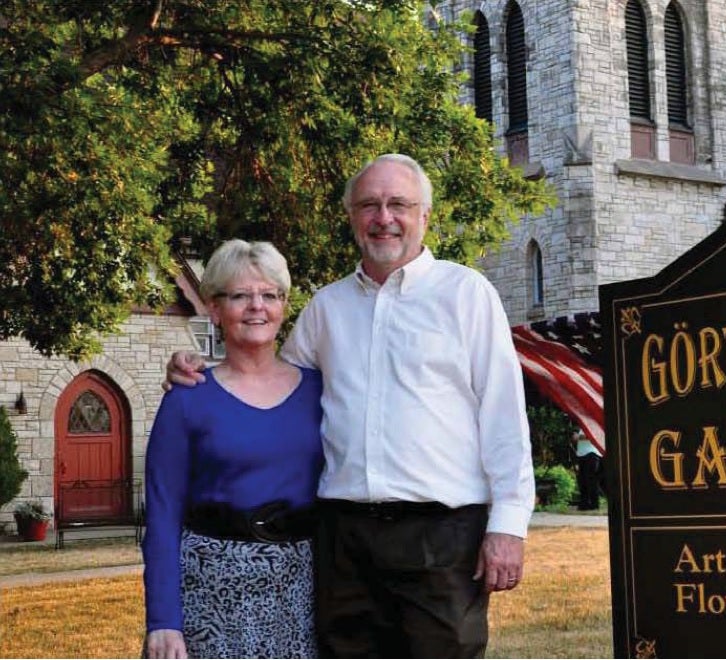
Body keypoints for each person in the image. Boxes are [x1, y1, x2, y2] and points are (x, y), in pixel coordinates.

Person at [166, 153, 535, 657]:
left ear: (425, 216)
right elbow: (271, 383)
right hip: (342, 540)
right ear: (351, 218)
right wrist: (194, 370)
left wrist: (508, 526)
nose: (383, 218)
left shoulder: (466, 294)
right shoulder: (327, 308)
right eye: (369, 205)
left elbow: (504, 416)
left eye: (398, 204)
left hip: (441, 538)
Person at [144, 239, 324, 659]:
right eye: (240, 296)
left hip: (302, 588)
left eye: (269, 295)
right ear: (214, 308)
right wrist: (163, 620)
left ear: (284, 304)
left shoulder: (320, 390)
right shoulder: (187, 398)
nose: (256, 307)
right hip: (209, 589)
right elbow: (162, 512)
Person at [574, 429, 603, 511]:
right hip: (582, 454)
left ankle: (594, 504)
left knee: (591, 480)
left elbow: (593, 435)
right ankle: (584, 503)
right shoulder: (581, 428)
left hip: (591, 454)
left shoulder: (590, 423)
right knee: (583, 480)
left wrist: (578, 437)